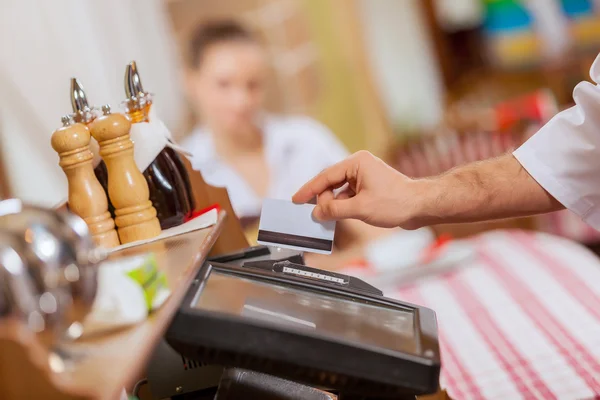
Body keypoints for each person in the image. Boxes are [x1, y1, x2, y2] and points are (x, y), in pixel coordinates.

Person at [293, 56, 600, 232]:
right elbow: (576, 150)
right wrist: (413, 197)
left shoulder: (308, 136)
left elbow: (576, 150)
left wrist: (414, 197)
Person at [181, 20, 392, 265]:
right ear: (191, 82)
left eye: (253, 85)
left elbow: (375, 229)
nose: (240, 101)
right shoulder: (186, 175)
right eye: (223, 84)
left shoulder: (307, 140)